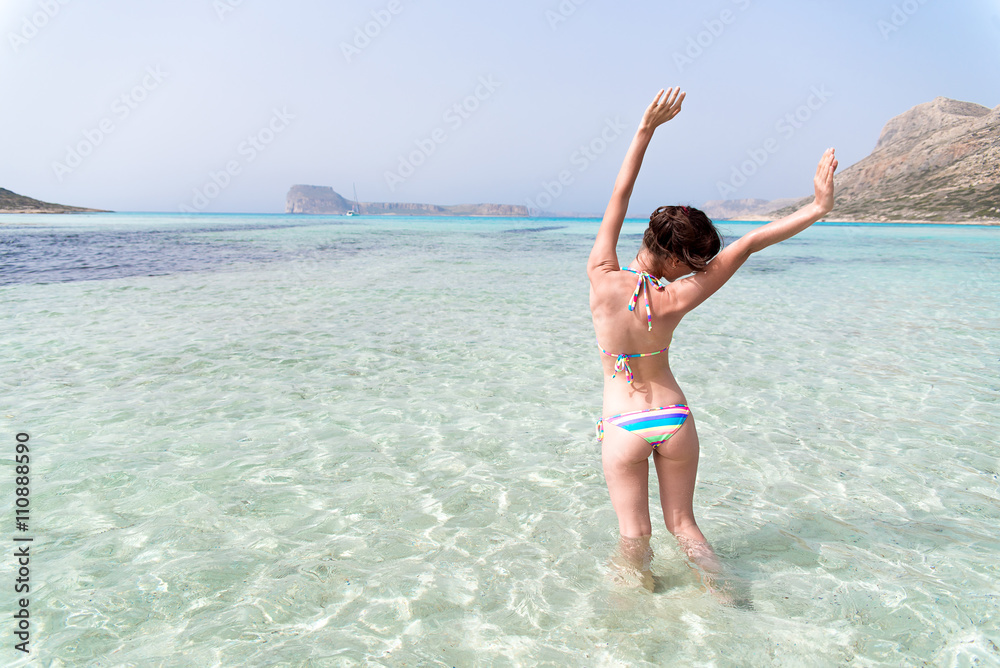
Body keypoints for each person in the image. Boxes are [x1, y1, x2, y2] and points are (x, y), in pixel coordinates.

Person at [588, 87, 838, 593]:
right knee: (686, 526)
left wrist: (645, 129)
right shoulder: (679, 297)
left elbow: (621, 194)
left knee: (633, 536)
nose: (699, 268)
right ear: (679, 260)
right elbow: (748, 243)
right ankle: (726, 601)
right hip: (674, 419)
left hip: (623, 423)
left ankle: (632, 625)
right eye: (695, 261)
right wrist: (817, 207)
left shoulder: (600, 275)